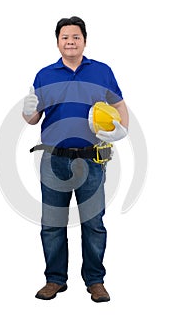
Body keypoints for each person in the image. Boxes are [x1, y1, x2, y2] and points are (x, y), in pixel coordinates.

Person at [22, 16, 129, 302]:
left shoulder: (102, 71)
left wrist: (122, 131)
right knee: (52, 224)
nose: (70, 41)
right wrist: (27, 110)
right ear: (57, 41)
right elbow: (33, 119)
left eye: (76, 37)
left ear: (84, 40)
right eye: (65, 37)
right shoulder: (45, 75)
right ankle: (55, 279)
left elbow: (119, 105)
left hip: (92, 159)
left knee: (94, 223)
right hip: (54, 160)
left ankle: (95, 280)